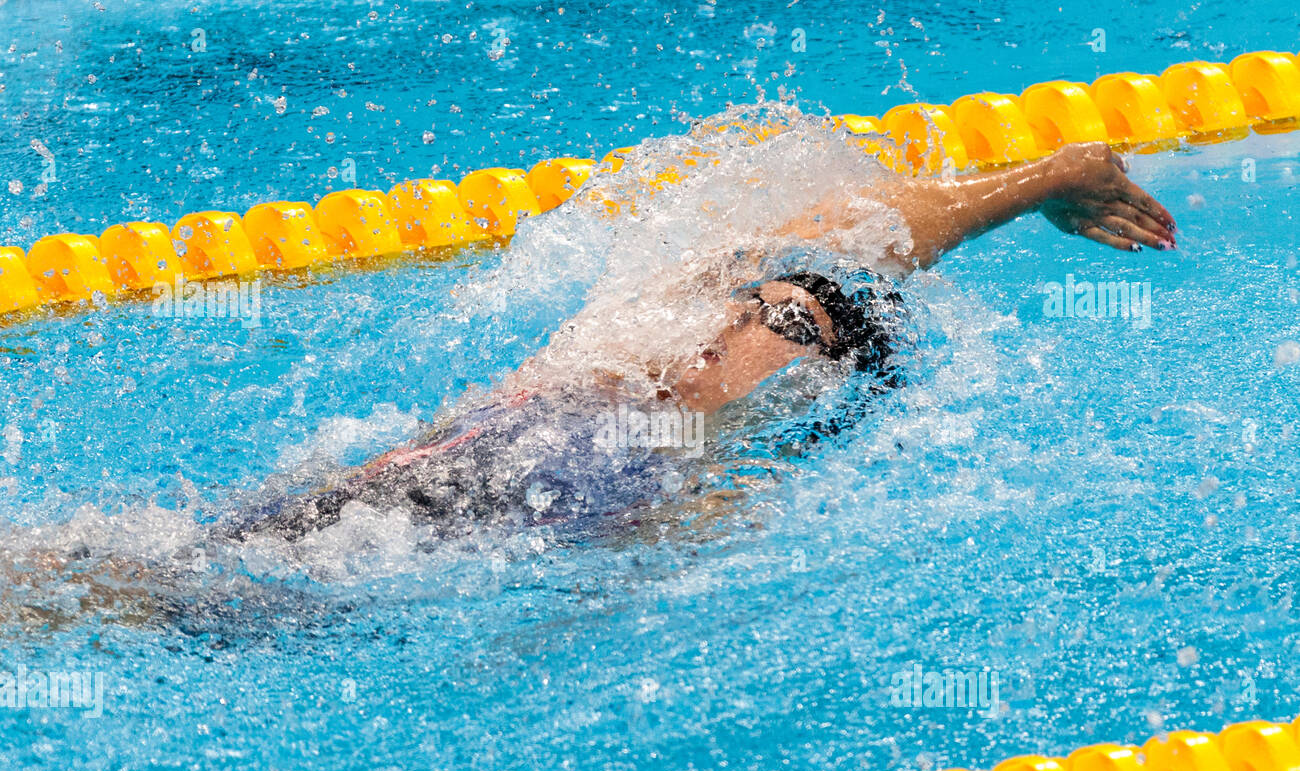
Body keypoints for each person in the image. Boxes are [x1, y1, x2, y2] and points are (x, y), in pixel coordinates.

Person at [226, 141, 1175, 543]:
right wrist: (1046, 180)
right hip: (494, 466)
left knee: (233, 573)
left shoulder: (692, 436)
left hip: (496, 485)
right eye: (754, 308)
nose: (741, 326)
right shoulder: (652, 348)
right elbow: (853, 236)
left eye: (785, 328)